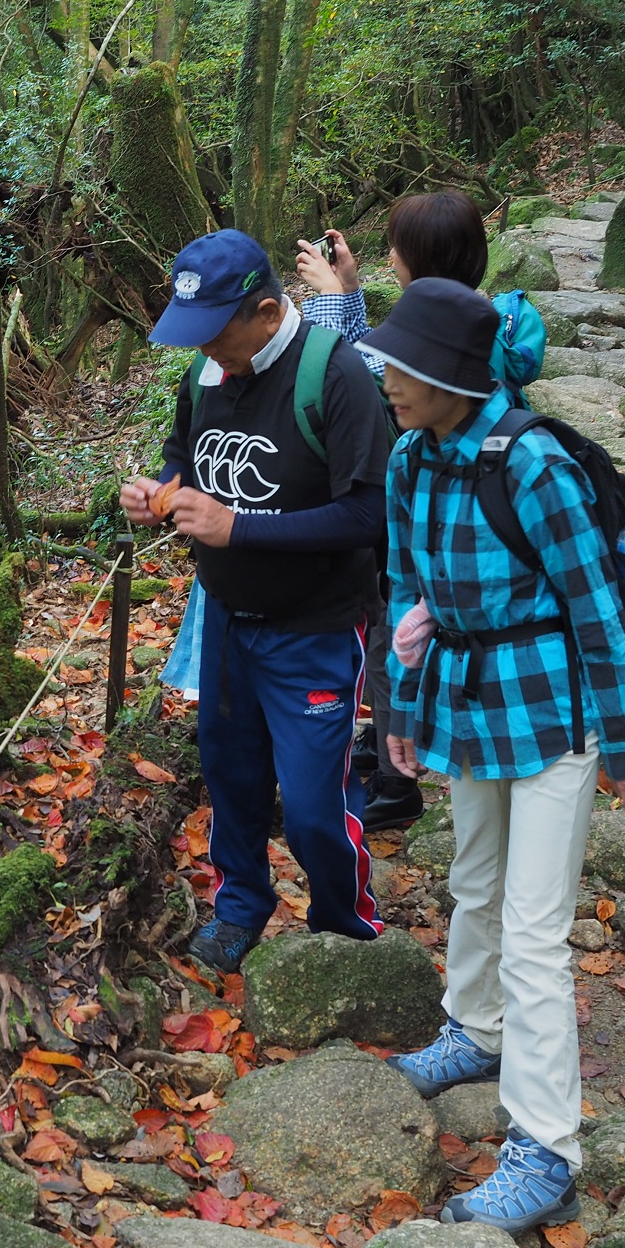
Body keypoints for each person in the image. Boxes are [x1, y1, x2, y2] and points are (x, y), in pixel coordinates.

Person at [359, 279, 625, 1232]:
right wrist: (399, 709)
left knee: (535, 934)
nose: (388, 382)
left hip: (551, 714)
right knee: (473, 878)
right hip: (466, 702)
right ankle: (475, 1027)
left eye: (402, 368)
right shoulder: (414, 456)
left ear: (453, 374)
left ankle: (547, 1147)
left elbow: (597, 613)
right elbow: (405, 592)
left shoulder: (533, 466)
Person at [122, 229, 394, 975]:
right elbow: (184, 452)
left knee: (311, 804)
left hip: (313, 627)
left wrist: (239, 527)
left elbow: (369, 515)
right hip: (225, 620)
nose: (206, 353)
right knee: (231, 776)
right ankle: (240, 908)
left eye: (217, 335)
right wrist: (162, 490)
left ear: (269, 314)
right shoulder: (207, 376)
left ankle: (344, 926)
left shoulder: (335, 376)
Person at [289, 191, 544, 833]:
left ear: (420, 260)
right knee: (398, 624)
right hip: (438, 501)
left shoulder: (447, 340)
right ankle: (396, 742)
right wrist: (349, 289)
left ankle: (397, 779)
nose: (391, 256)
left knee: (394, 627)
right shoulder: (480, 320)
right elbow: (379, 365)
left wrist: (329, 300)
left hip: (428, 505)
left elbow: (346, 375)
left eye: (399, 247)